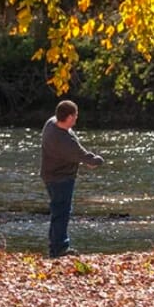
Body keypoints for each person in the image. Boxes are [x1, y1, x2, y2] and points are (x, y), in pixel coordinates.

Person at [40, 100, 104, 259]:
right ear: (68, 117)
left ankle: (55, 247)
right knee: (62, 212)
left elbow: (76, 152)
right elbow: (82, 155)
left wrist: (82, 159)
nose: (76, 119)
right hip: (60, 178)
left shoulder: (51, 123)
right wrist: (96, 160)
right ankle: (60, 248)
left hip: (49, 175)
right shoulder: (63, 140)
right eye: (75, 116)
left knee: (57, 211)